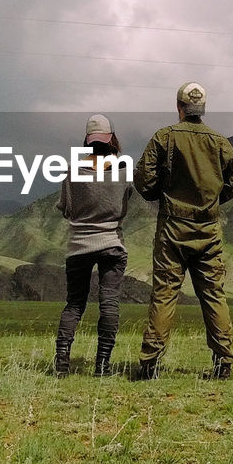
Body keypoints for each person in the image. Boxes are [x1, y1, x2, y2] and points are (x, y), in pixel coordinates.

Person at [133, 82, 233, 379]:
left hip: (172, 228)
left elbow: (144, 182)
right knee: (214, 294)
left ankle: (150, 363)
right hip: (208, 229)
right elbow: (230, 187)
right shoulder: (220, 142)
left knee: (164, 293)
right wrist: (209, 203)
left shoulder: (163, 138)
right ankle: (224, 363)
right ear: (202, 109)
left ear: (179, 107)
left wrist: (163, 195)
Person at [54, 113, 133, 377]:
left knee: (75, 304)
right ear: (111, 139)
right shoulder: (123, 171)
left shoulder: (71, 170)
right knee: (109, 303)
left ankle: (62, 364)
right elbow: (125, 203)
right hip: (112, 244)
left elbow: (66, 208)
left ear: (87, 141)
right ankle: (102, 366)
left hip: (79, 246)